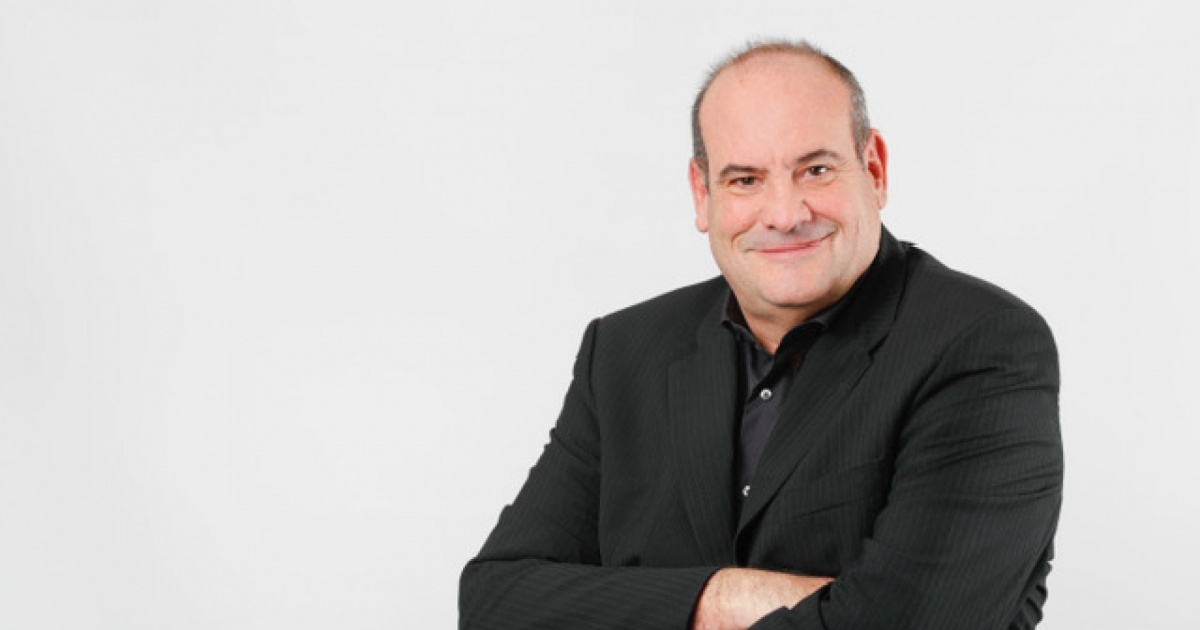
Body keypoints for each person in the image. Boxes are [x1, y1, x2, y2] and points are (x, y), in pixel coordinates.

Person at [459, 39, 1062, 630]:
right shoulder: (624, 351)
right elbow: (494, 601)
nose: (785, 214)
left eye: (816, 170)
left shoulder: (983, 346)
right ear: (703, 194)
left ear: (874, 169)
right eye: (745, 180)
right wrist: (728, 597)